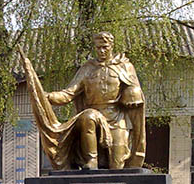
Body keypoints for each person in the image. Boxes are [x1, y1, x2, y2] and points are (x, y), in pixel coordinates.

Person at [23, 32, 146, 170]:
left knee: (117, 164)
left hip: (116, 119)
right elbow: (68, 94)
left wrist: (132, 93)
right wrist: (47, 96)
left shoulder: (124, 66)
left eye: (105, 47)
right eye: (98, 47)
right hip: (93, 114)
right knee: (88, 116)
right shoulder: (88, 68)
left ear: (111, 46)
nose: (102, 50)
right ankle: (91, 160)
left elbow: (135, 92)